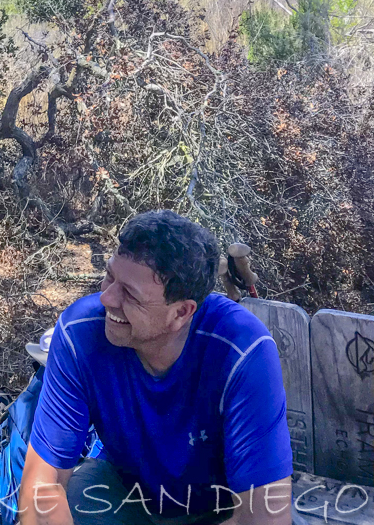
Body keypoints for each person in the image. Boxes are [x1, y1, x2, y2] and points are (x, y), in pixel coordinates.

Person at [18, 210, 293, 525]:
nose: (106, 298)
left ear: (181, 312)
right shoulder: (80, 333)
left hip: (221, 508)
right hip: (125, 491)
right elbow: (42, 486)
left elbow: (262, 519)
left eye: (130, 294)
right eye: (110, 276)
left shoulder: (242, 350)